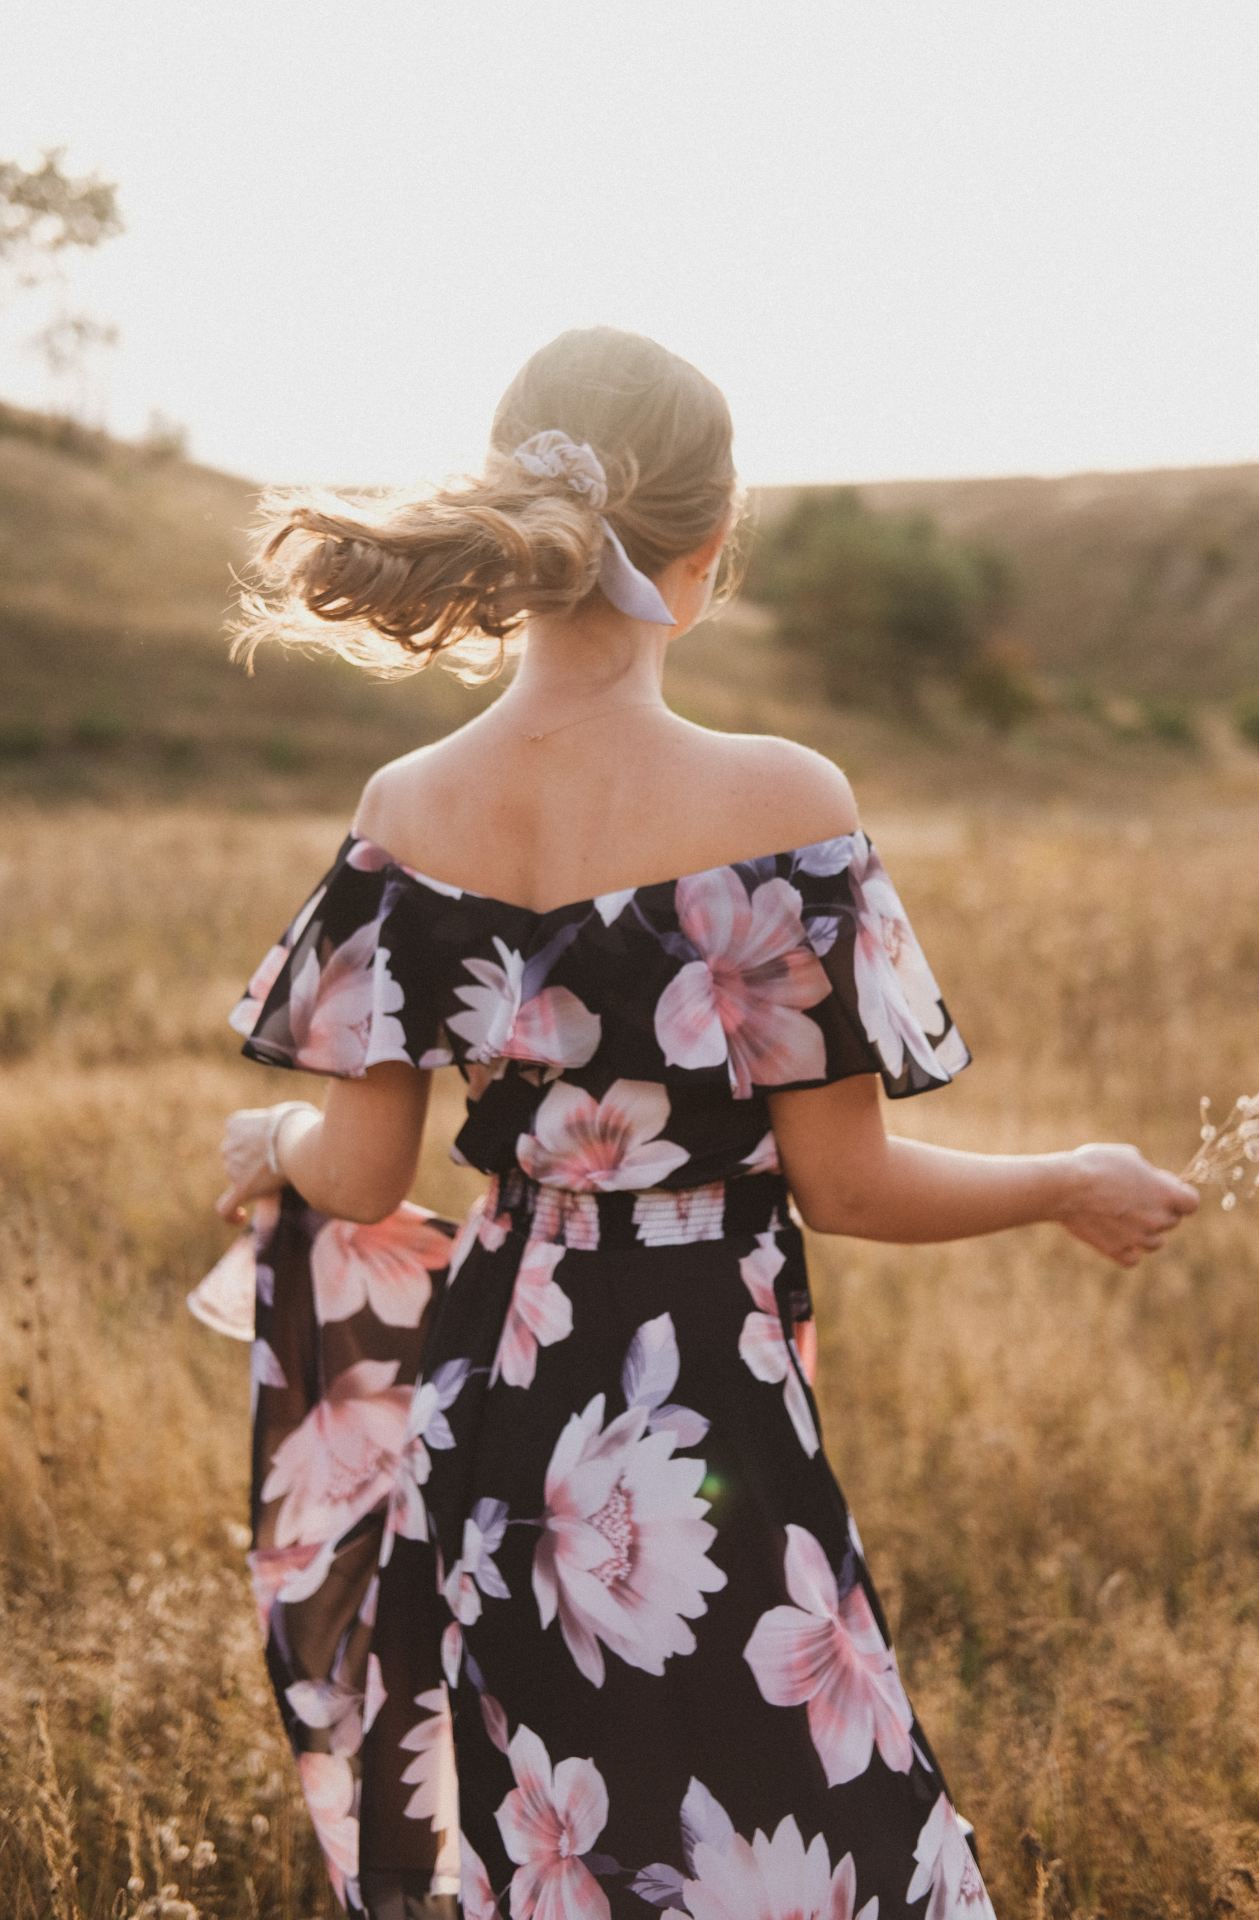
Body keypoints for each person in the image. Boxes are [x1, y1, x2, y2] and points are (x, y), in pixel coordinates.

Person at [211, 325, 1200, 1920]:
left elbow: (366, 1172)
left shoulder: (404, 811)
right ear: (709, 550)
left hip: (496, 1393)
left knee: (555, 1829)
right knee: (804, 1815)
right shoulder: (784, 803)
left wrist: (267, 1151)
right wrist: (1067, 1178)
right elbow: (851, 1188)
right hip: (700, 1390)